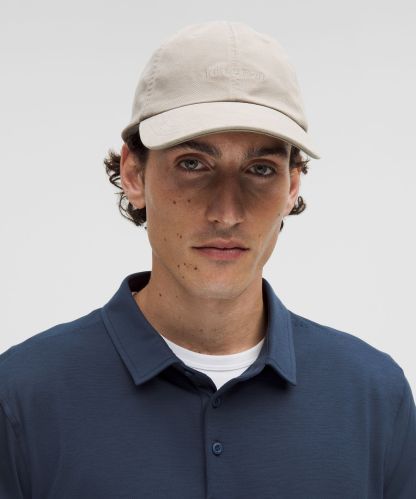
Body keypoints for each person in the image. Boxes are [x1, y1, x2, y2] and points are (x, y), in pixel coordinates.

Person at [1, 20, 415, 499]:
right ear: (134, 173)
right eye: (193, 164)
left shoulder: (373, 397)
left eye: (260, 169)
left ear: (292, 186)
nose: (227, 212)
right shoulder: (22, 399)